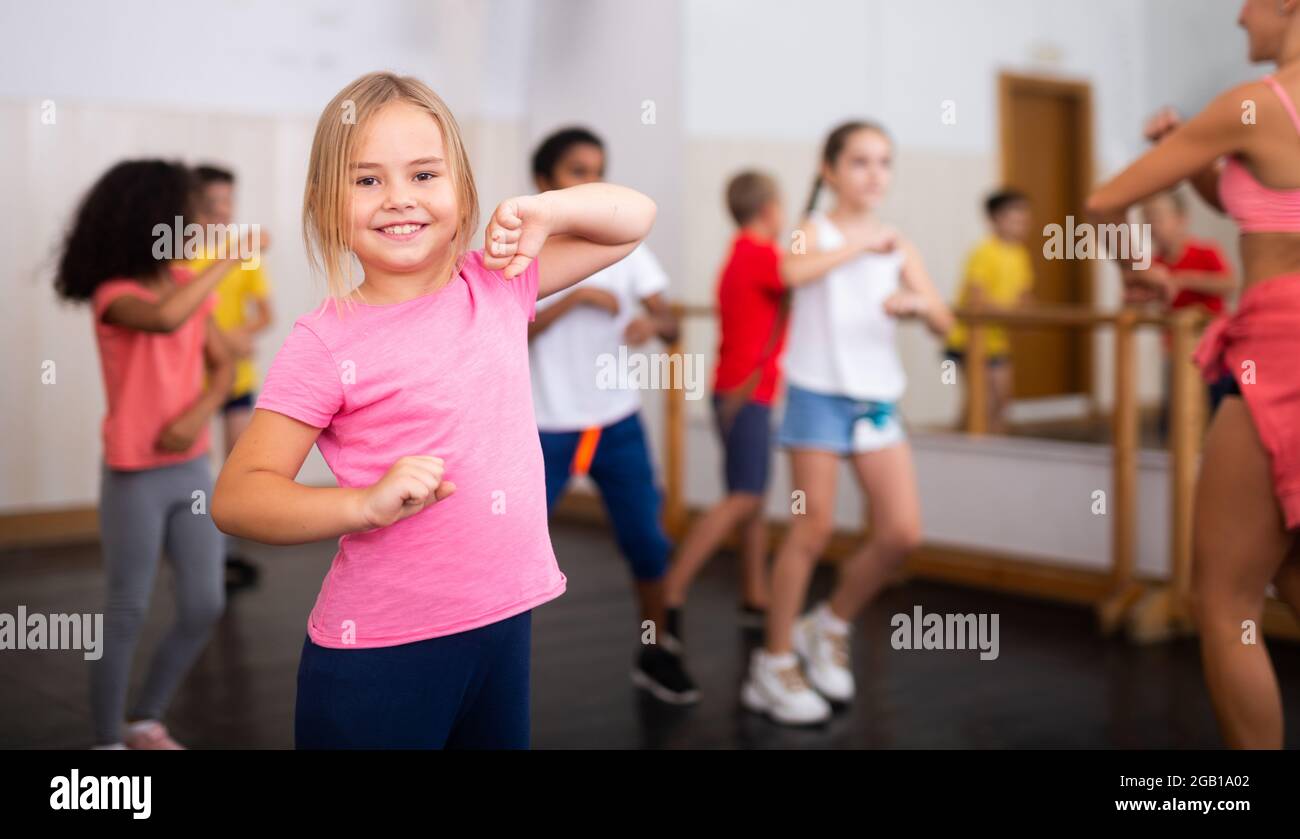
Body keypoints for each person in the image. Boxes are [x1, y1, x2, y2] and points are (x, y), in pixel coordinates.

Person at [211, 73, 657, 748]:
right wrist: (361, 503)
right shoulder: (325, 341)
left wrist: (548, 211)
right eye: (366, 181)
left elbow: (632, 221)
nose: (399, 199)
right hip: (379, 654)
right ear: (325, 204)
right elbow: (239, 497)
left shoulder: (500, 284)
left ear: (463, 192)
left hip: (503, 625)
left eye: (424, 174)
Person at [1086, 0, 1300, 749]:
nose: (1240, 17)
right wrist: (1196, 152)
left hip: (1280, 349)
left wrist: (1134, 272)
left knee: (1223, 599)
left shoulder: (1253, 105)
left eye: (1250, 1)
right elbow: (1272, 204)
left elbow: (1103, 200)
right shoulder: (1252, 118)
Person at [741, 121, 953, 726]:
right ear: (830, 170)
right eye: (859, 162)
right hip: (816, 399)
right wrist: (861, 248)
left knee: (901, 534)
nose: (874, 174)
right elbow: (790, 273)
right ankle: (773, 664)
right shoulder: (815, 232)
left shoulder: (898, 243)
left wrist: (918, 306)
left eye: (883, 162)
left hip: (876, 402)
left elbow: (945, 319)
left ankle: (828, 622)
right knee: (812, 532)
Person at [55, 160, 242, 749]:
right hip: (134, 476)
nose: (195, 222)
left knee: (204, 602)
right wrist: (226, 264)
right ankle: (108, 741)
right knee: (125, 611)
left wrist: (196, 413)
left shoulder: (188, 285)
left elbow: (225, 366)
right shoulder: (115, 295)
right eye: (187, 212)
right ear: (151, 220)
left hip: (189, 471)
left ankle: (145, 719)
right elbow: (163, 322)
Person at [526, 128, 696, 704]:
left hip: (616, 424)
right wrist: (574, 298)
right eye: (576, 170)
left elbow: (671, 324)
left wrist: (656, 325)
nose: (589, 180)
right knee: (513, 548)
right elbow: (508, 332)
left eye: (597, 169)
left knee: (648, 544)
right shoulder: (527, 254)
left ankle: (657, 650)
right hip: (545, 427)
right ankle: (482, 665)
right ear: (544, 183)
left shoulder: (627, 249)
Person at [664, 170, 788, 637]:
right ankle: (672, 590)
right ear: (769, 210)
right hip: (746, 395)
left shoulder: (741, 253)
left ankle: (755, 593)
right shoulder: (759, 255)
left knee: (751, 498)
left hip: (735, 391)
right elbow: (798, 275)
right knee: (744, 497)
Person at [188, 164, 275, 591]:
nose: (221, 212)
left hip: (236, 380)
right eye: (211, 204)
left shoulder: (246, 255)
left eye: (228, 202)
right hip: (191, 385)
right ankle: (198, 555)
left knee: (233, 470)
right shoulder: (180, 257)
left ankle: (227, 556)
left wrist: (236, 340)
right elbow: (180, 319)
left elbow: (265, 315)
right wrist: (222, 344)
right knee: (197, 475)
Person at [944, 190, 1035, 434]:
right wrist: (1010, 312)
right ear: (994, 220)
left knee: (1002, 398)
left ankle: (995, 444)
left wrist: (1023, 311)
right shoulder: (983, 252)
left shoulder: (1020, 255)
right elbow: (977, 299)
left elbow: (1024, 297)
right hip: (964, 341)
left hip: (997, 343)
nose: (1020, 226)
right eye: (1014, 220)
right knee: (977, 400)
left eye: (1024, 221)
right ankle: (962, 445)